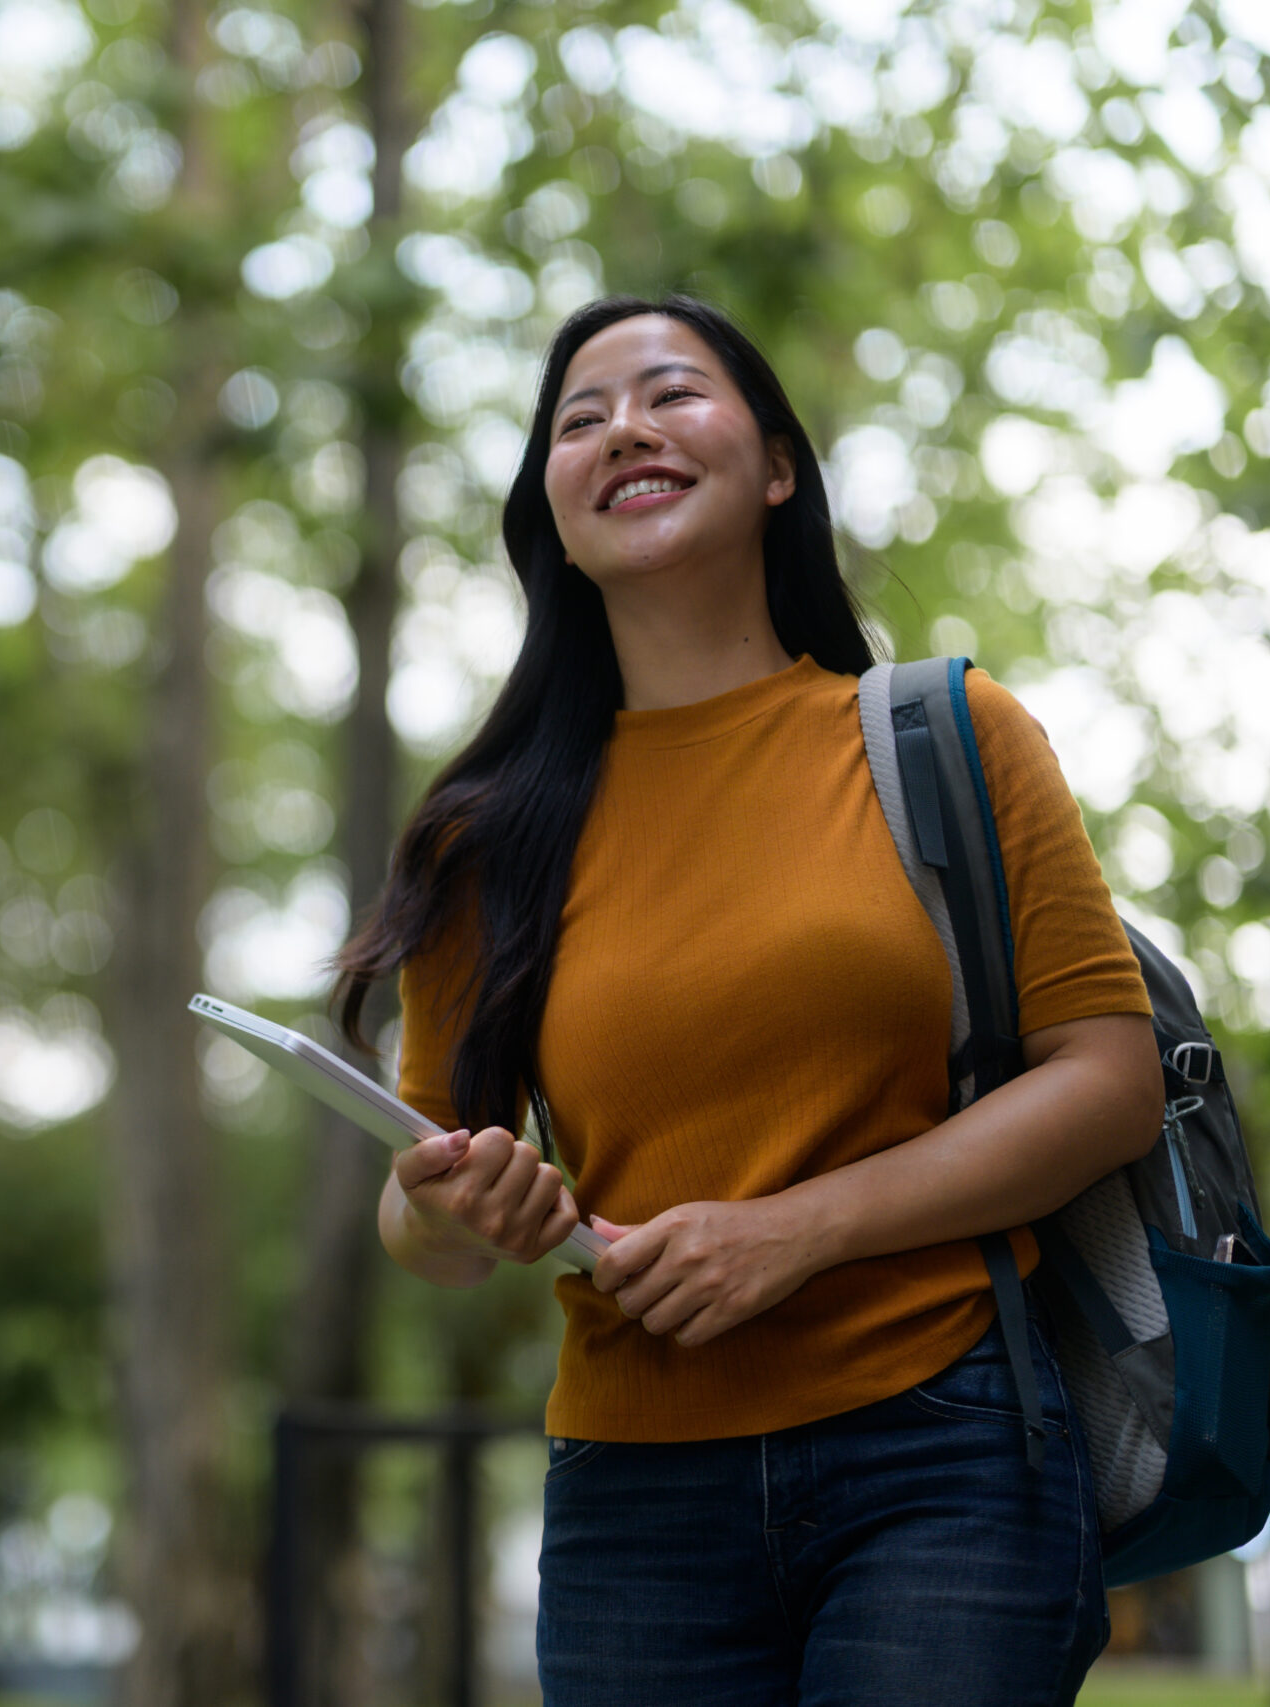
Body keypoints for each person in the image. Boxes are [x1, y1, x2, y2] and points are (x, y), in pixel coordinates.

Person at [332, 295, 1164, 1705]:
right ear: (554, 505)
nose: (625, 430)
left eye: (670, 394)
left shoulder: (951, 737)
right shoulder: (486, 837)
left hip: (946, 1453)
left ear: (778, 466)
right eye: (579, 419)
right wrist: (464, 1204)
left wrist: (794, 1231)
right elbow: (430, 1228)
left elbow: (1109, 1080)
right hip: (630, 1508)